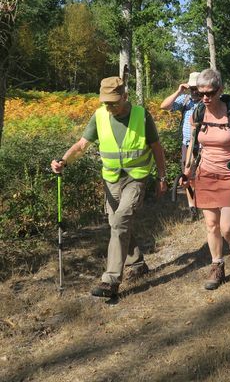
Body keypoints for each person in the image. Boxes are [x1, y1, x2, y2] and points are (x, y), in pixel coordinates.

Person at [51, 76, 168, 298]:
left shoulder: (141, 116)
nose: (110, 106)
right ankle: (138, 264)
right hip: (111, 179)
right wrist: (63, 161)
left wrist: (162, 178)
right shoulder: (99, 116)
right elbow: (81, 145)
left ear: (125, 96)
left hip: (136, 177)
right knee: (116, 223)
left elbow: (156, 148)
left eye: (114, 102)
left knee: (122, 218)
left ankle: (111, 280)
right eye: (106, 102)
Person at [183, 69, 230, 290]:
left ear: (220, 90)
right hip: (205, 174)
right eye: (200, 93)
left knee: (226, 227)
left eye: (210, 92)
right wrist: (188, 170)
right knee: (211, 225)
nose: (205, 97)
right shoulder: (197, 113)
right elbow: (193, 145)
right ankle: (217, 266)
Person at [160, 71, 201, 220]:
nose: (194, 91)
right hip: (187, 144)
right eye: (192, 88)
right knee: (187, 176)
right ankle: (193, 209)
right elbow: (163, 106)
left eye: (197, 88)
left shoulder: (208, 101)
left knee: (206, 176)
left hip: (205, 145)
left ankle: (210, 205)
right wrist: (178, 91)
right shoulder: (185, 100)